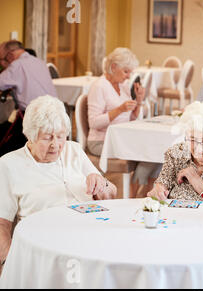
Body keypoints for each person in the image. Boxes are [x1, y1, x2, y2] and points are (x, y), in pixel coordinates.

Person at [0, 95, 117, 275]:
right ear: (30, 136)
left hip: (91, 236)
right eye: (47, 138)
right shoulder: (9, 165)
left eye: (61, 136)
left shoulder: (74, 150)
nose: (56, 145)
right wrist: (10, 265)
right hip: (46, 247)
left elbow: (112, 194)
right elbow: (2, 225)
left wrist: (101, 183)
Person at [0, 40, 57, 156]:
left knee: (5, 144)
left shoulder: (17, 65)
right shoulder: (40, 62)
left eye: (1, 60)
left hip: (33, 119)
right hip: (55, 115)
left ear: (10, 55)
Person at [87, 47, 144, 156]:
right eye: (125, 71)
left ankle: (138, 174)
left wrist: (139, 100)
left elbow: (131, 118)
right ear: (113, 67)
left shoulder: (123, 86)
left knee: (150, 150)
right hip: (101, 141)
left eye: (130, 72)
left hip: (121, 138)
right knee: (143, 153)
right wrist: (120, 109)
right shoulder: (99, 86)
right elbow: (93, 123)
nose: (128, 76)